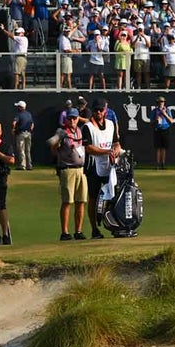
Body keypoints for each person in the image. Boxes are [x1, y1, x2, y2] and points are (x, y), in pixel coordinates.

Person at [82, 99, 120, 239]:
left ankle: (115, 225)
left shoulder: (110, 124)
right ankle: (94, 229)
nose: (98, 112)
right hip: (93, 166)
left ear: (105, 110)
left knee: (113, 196)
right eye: (96, 110)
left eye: (101, 110)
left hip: (110, 166)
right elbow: (88, 148)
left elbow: (116, 143)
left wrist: (115, 150)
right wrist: (106, 151)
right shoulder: (87, 127)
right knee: (93, 198)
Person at [49, 107, 87, 241]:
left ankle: (79, 230)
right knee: (67, 201)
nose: (72, 120)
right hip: (67, 169)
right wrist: (57, 144)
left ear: (78, 119)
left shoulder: (80, 131)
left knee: (81, 201)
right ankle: (64, 232)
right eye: (70, 118)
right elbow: (52, 146)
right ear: (66, 119)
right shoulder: (61, 131)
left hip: (81, 170)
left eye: (74, 118)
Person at [150, 96, 172, 170]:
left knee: (164, 148)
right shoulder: (154, 111)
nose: (161, 103)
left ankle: (163, 164)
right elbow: (151, 123)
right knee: (158, 148)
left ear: (164, 103)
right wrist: (156, 120)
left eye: (162, 102)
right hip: (157, 129)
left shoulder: (167, 110)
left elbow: (172, 121)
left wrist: (165, 114)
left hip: (165, 129)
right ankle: (157, 164)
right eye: (159, 102)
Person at [11, 100, 33, 171]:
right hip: (28, 133)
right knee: (28, 150)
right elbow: (32, 124)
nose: (17, 108)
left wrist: (13, 129)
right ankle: (29, 165)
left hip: (21, 133)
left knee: (21, 149)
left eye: (18, 106)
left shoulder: (19, 114)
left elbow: (14, 123)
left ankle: (22, 165)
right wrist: (30, 130)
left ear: (21, 107)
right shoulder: (29, 114)